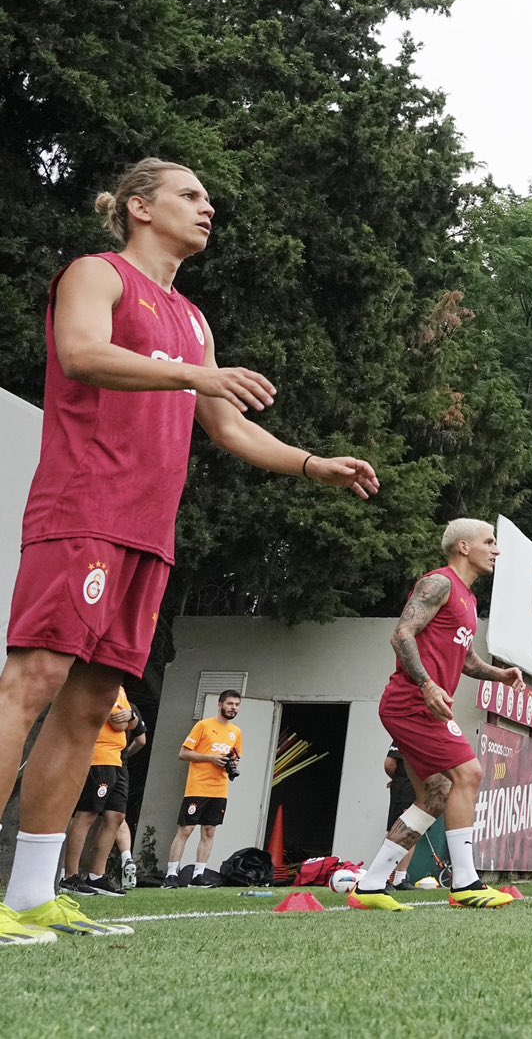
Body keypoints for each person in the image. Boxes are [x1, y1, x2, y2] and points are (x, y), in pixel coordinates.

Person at [0, 159, 380, 945]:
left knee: (87, 707)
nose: (209, 208)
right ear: (140, 207)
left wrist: (313, 463)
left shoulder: (195, 323)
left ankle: (33, 893)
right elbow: (79, 355)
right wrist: (201, 373)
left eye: (209, 199)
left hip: (149, 530)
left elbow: (230, 428)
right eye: (190, 195)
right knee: (31, 683)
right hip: (83, 510)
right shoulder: (97, 274)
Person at [348, 520, 525, 912]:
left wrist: (500, 673)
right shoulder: (439, 583)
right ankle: (465, 883)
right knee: (470, 773)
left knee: (437, 794)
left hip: (422, 703)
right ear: (463, 547)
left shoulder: (469, 599)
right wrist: (428, 684)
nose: (496, 550)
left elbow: (466, 659)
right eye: (489, 542)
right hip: (410, 703)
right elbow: (402, 634)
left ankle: (371, 886)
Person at [61, 686, 142, 897]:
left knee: (116, 816)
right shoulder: (100, 683)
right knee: (87, 815)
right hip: (98, 757)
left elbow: (130, 724)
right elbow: (118, 723)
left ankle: (97, 876)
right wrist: (125, 719)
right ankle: (69, 876)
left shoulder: (122, 689)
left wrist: (131, 715)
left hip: (117, 761)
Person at [163, 689, 244, 887]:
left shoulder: (236, 731)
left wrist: (230, 762)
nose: (233, 708)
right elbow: (183, 753)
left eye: (236, 705)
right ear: (220, 704)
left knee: (209, 830)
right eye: (230, 704)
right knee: (186, 829)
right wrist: (210, 758)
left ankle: (198, 874)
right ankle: (171, 874)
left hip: (220, 788)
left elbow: (237, 757)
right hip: (197, 787)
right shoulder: (204, 725)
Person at [381, 744, 414, 888]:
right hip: (407, 788)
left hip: (412, 788)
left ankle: (398, 878)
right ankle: (385, 877)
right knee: (400, 830)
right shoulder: (407, 731)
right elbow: (389, 764)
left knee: (412, 831)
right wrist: (400, 778)